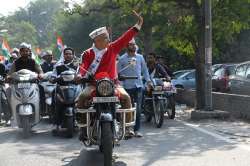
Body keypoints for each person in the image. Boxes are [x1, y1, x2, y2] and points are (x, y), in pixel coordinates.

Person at [76, 10, 143, 110]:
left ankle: (127, 125)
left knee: (127, 98)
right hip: (93, 84)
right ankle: (82, 123)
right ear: (97, 41)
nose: (109, 40)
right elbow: (83, 66)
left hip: (113, 84)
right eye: (106, 38)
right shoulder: (87, 53)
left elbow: (125, 37)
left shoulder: (113, 48)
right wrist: (79, 75)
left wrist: (138, 24)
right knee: (81, 98)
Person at [117, 38, 152, 138]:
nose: (132, 46)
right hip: (126, 88)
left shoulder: (140, 57)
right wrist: (120, 86)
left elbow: (145, 71)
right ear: (126, 46)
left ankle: (137, 130)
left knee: (138, 109)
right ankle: (127, 129)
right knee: (127, 109)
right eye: (130, 44)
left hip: (138, 86)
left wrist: (148, 81)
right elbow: (118, 74)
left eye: (133, 44)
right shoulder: (122, 59)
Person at [51, 47, 79, 134]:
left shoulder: (77, 65)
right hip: (62, 88)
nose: (68, 55)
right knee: (54, 96)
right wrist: (52, 78)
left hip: (75, 87)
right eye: (66, 54)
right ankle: (56, 123)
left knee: (85, 101)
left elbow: (82, 74)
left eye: (70, 54)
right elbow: (53, 75)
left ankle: (86, 123)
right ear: (64, 55)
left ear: (73, 55)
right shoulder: (58, 66)